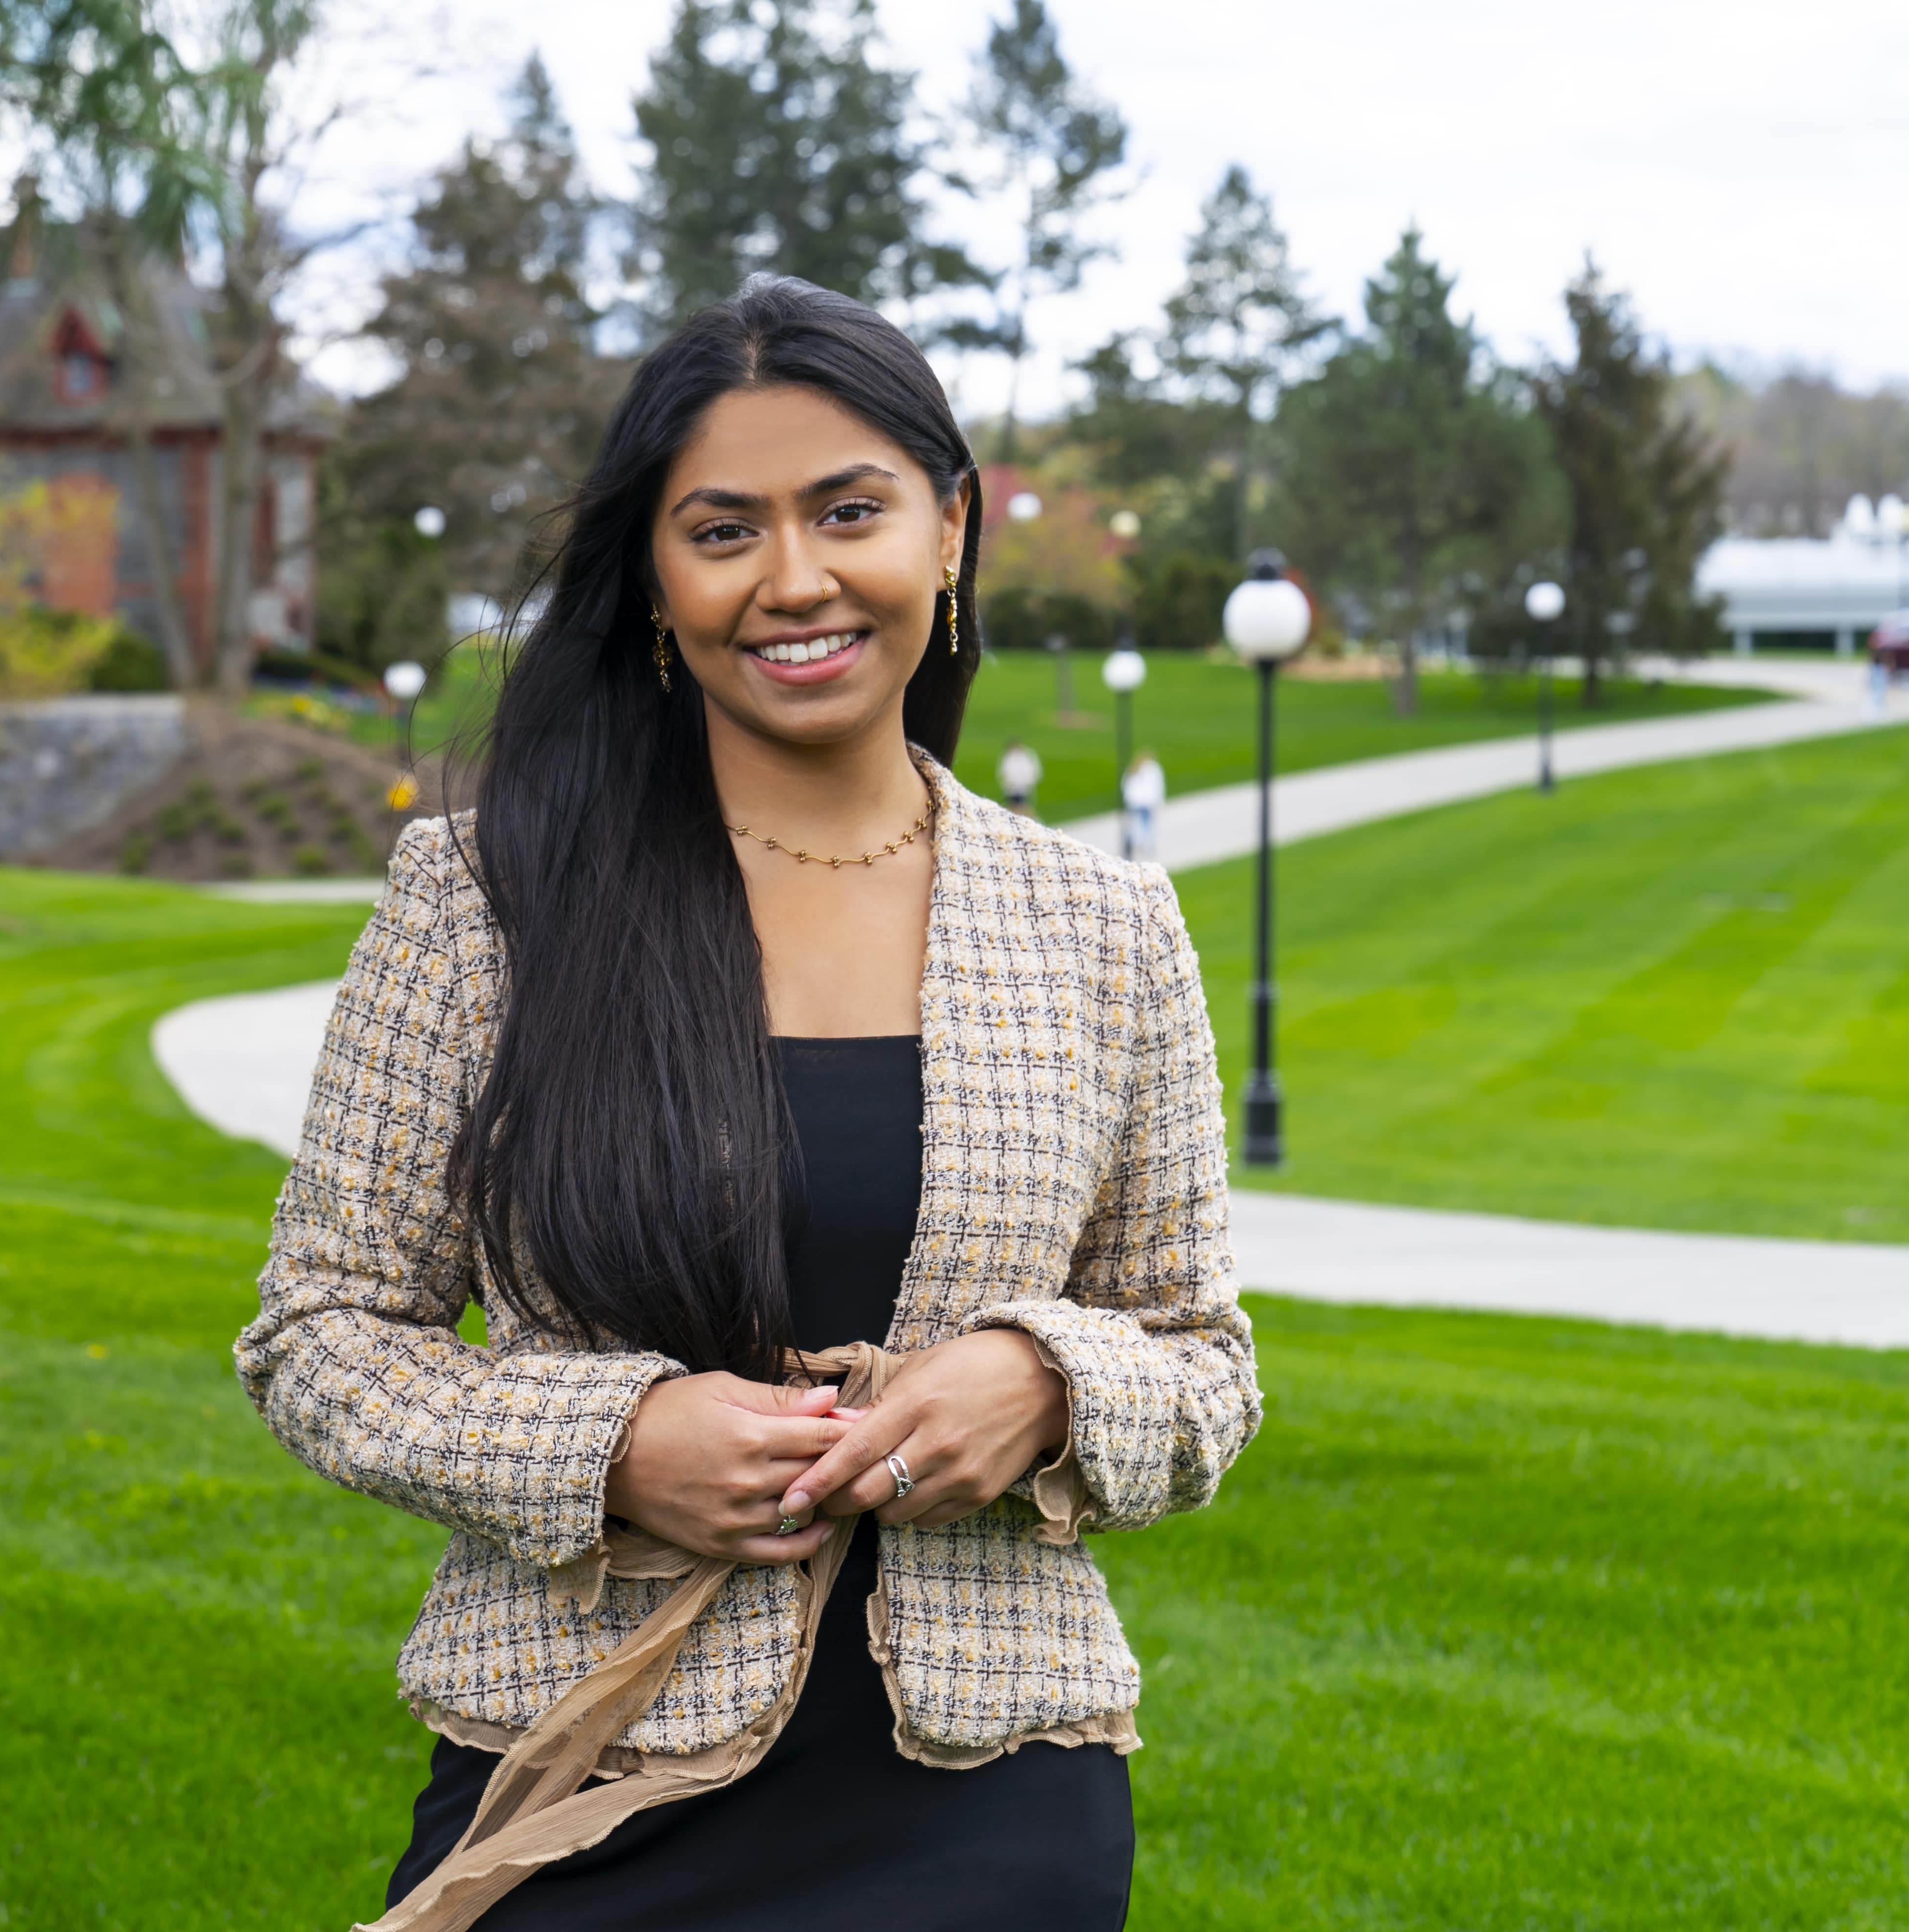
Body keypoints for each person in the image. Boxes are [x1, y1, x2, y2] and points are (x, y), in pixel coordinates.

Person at [236, 277, 1258, 1932]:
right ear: (653, 579)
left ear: (949, 527)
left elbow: (1201, 1362)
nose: (794, 580)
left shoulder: (1102, 930)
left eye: (846, 512)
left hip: (987, 1804)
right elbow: (321, 1334)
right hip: (585, 1780)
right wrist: (613, 1440)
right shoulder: (484, 902)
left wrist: (1045, 1383)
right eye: (722, 531)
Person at [1122, 749, 1167, 862]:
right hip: (1145, 803)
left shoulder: (1134, 769)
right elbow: (1157, 787)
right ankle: (1143, 845)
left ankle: (1139, 845)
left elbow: (1127, 786)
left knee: (1139, 825)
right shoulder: (1152, 770)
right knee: (1145, 826)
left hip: (1138, 803)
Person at [995, 736, 1042, 818]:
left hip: (1024, 786)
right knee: (1012, 806)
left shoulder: (1028, 755)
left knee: (1023, 806)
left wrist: (1029, 781)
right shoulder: (1008, 756)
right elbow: (1004, 771)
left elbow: (1033, 769)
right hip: (1011, 787)